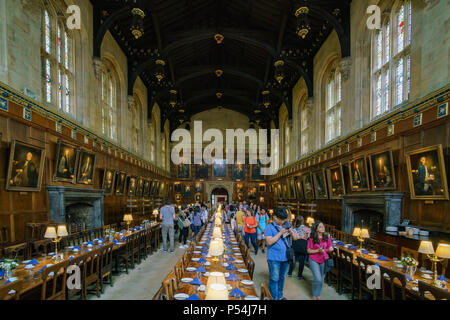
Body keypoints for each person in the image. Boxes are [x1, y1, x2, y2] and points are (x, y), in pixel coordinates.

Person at [265, 208, 300, 300]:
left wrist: (292, 232)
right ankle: (273, 298)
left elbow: (296, 238)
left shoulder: (287, 225)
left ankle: (280, 296)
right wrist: (280, 233)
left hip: (286, 257)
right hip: (274, 258)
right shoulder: (269, 227)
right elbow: (269, 242)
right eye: (281, 219)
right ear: (275, 217)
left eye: (284, 219)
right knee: (274, 278)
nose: (282, 221)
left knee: (282, 278)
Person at [307, 221, 334, 300]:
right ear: (316, 229)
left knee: (321, 279)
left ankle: (318, 295)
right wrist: (318, 251)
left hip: (324, 259)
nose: (323, 228)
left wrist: (330, 249)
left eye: (323, 226)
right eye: (320, 227)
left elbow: (329, 247)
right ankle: (314, 295)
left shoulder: (327, 237)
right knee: (318, 278)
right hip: (313, 259)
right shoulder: (312, 238)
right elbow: (308, 251)